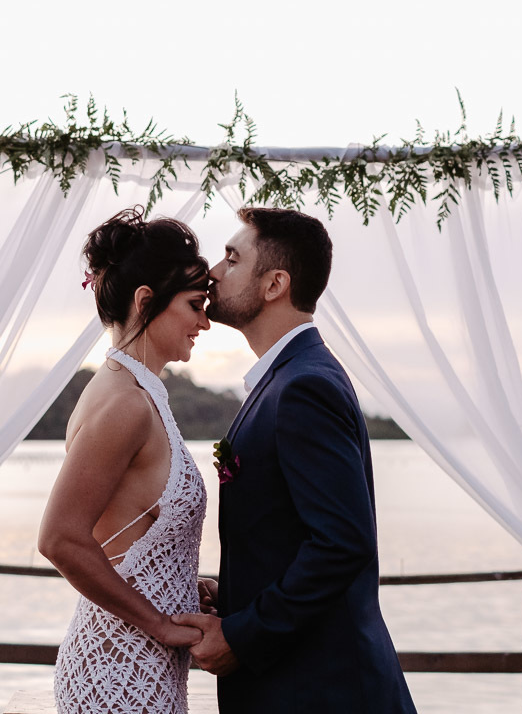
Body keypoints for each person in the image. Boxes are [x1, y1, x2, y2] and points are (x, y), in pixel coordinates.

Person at [174, 207, 417, 713]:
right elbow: (290, 531)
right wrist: (234, 589)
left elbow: (340, 543)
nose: (214, 273)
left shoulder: (303, 387)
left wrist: (241, 635)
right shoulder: (286, 379)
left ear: (274, 284)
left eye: (232, 259)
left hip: (323, 691)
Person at [39, 207, 211, 714]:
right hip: (119, 673)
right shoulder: (124, 404)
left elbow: (124, 538)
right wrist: (159, 622)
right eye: (195, 304)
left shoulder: (140, 393)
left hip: (141, 663)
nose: (205, 321)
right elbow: (60, 539)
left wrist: (181, 583)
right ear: (145, 301)